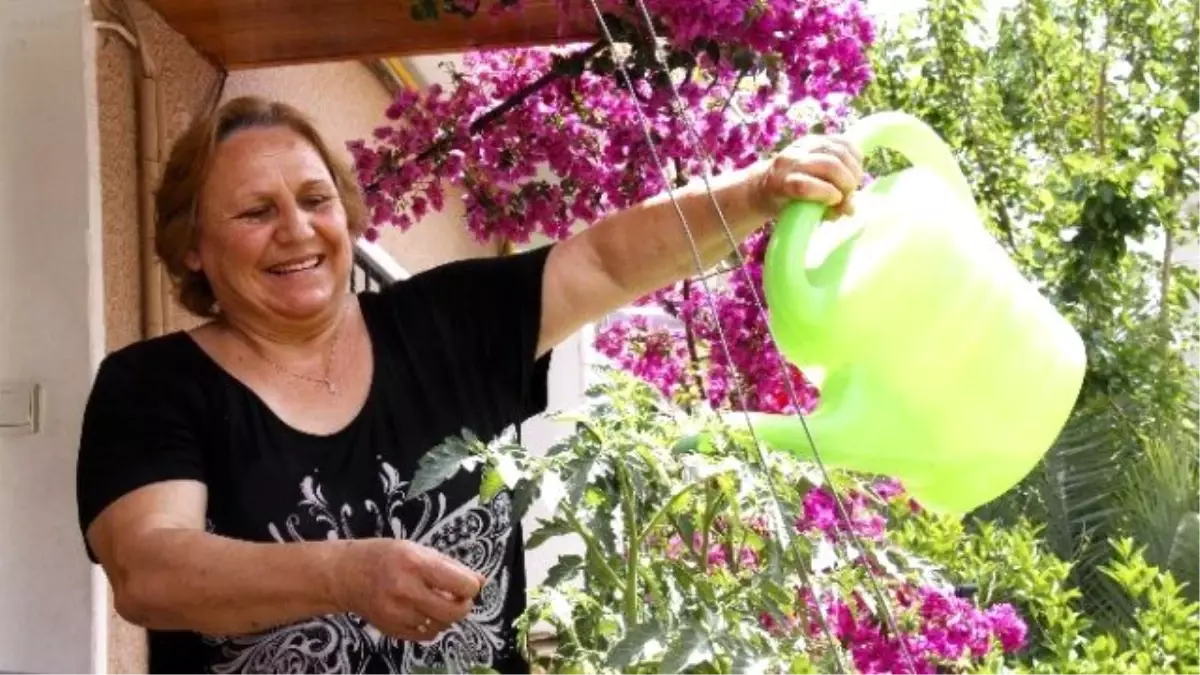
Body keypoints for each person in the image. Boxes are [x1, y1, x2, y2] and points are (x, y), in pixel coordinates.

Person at [75, 95, 863, 674]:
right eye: (254, 211)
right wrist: (345, 573)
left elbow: (606, 261)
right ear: (192, 250)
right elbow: (151, 569)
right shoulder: (153, 386)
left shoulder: (447, 324)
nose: (297, 229)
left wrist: (759, 189)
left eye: (316, 200)